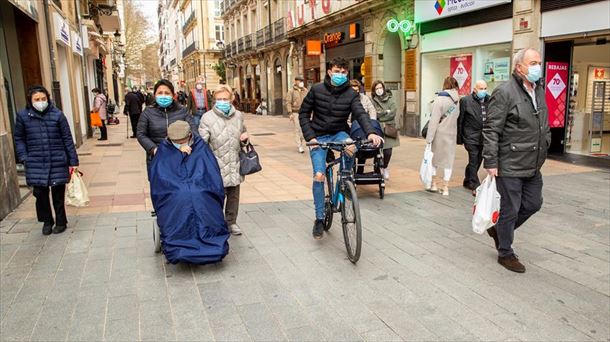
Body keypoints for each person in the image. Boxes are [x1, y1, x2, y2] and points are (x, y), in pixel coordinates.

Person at [299, 57, 383, 240]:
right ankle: (319, 218)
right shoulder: (317, 89)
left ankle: (345, 179)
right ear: (329, 72)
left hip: (339, 133)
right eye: (337, 71)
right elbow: (304, 113)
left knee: (351, 146)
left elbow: (360, 113)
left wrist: (370, 132)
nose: (340, 75)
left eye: (344, 72)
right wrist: (311, 137)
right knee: (319, 175)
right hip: (318, 136)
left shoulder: (351, 94)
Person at [483, 48, 550, 273]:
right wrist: (491, 162)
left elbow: (544, 123)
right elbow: (491, 129)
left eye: (539, 62)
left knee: (533, 204)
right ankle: (506, 252)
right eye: (533, 63)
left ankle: (499, 229)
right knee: (510, 209)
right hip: (509, 162)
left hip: (533, 163)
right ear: (519, 67)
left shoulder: (539, 90)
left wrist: (546, 143)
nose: (537, 67)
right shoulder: (504, 91)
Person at [149, 120, 229, 264]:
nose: (179, 143)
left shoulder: (200, 147)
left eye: (182, 141)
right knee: (181, 197)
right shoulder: (164, 149)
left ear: (190, 135)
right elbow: (160, 177)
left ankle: (212, 241)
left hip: (201, 186)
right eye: (175, 142)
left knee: (201, 196)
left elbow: (210, 172)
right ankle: (178, 244)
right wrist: (178, 155)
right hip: (173, 190)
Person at [14, 85, 79, 235]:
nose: (41, 102)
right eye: (37, 99)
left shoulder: (57, 115)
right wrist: (24, 157)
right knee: (40, 194)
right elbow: (19, 138)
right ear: (30, 101)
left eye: (43, 99)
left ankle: (61, 221)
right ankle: (47, 221)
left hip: (57, 159)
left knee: (58, 194)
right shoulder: (23, 116)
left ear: (48, 99)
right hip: (35, 161)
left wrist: (73, 161)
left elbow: (67, 138)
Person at [199, 85, 249, 236]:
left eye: (225, 99)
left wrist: (245, 139)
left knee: (233, 196)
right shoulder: (207, 117)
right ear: (214, 100)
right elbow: (201, 143)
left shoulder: (238, 116)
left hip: (234, 162)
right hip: (216, 164)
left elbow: (243, 133)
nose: (222, 102)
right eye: (219, 99)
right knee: (216, 196)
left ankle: (231, 222)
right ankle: (216, 223)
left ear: (231, 99)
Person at [137, 79, 196, 172]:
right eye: (160, 93)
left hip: (181, 157)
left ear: (173, 95)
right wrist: (154, 149)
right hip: (157, 158)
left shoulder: (182, 111)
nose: (163, 96)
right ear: (155, 95)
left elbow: (193, 130)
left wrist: (187, 145)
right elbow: (141, 134)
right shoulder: (148, 112)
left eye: (167, 93)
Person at [425, 77, 460, 196]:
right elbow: (457, 116)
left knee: (434, 160)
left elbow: (434, 121)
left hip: (439, 133)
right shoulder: (457, 100)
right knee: (448, 161)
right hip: (451, 133)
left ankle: (434, 184)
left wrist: (429, 139)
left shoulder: (439, 99)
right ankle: (445, 187)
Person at [458, 80, 490, 195]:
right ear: (475, 89)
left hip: (484, 136)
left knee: (478, 160)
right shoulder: (466, 101)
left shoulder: (489, 100)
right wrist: (460, 138)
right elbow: (460, 120)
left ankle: (467, 179)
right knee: (473, 159)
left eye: (485, 88)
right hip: (470, 136)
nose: (483, 91)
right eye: (481, 88)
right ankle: (475, 185)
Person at [371, 80, 399, 180]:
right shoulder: (372, 100)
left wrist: (381, 114)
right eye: (377, 88)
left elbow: (393, 113)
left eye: (380, 88)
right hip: (377, 128)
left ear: (383, 88)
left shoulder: (391, 99)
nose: (379, 90)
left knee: (388, 152)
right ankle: (377, 170)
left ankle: (385, 167)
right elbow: (374, 114)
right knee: (376, 150)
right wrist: (385, 112)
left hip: (389, 128)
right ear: (374, 90)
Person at [285, 76, 308, 153]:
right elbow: (288, 102)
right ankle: (299, 145)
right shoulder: (291, 91)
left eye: (302, 81)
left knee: (304, 129)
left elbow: (309, 101)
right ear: (295, 82)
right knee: (298, 129)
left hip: (305, 113)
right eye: (299, 81)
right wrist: (290, 113)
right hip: (296, 113)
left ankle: (301, 142)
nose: (301, 82)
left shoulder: (305, 90)